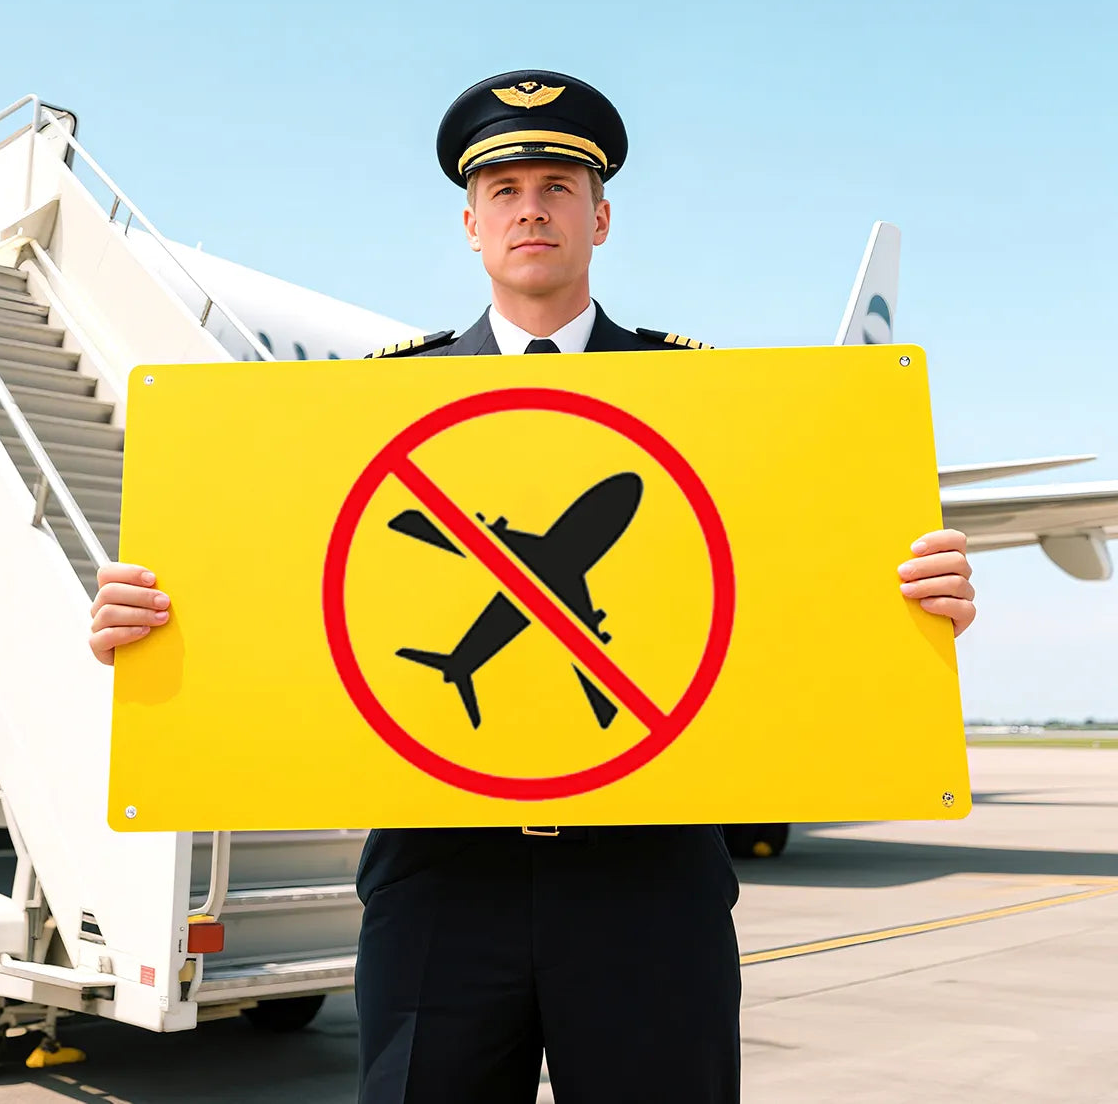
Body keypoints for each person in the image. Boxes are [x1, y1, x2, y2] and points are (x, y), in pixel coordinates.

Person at [90, 69, 977, 1104]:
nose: (531, 210)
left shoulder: (704, 397)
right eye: (504, 191)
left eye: (558, 187)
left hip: (649, 882)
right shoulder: (371, 404)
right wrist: (154, 624)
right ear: (471, 224)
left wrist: (909, 603)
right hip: (439, 883)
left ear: (601, 218)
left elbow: (786, 590)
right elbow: (294, 597)